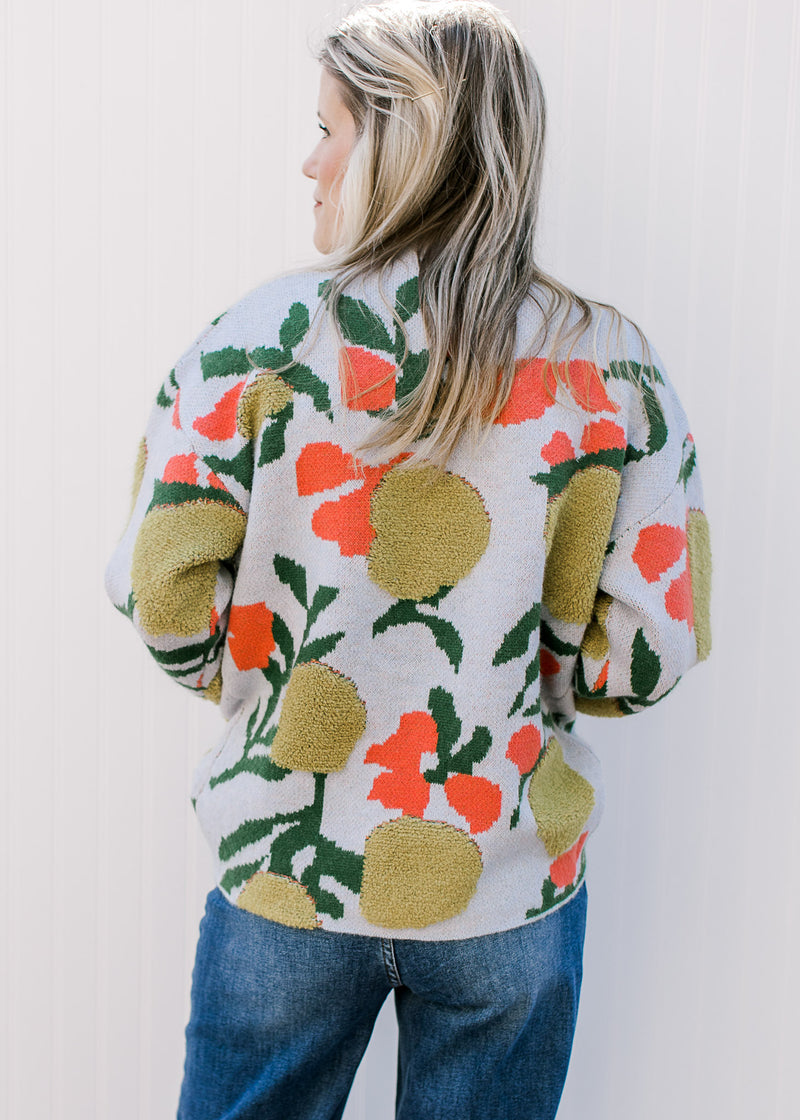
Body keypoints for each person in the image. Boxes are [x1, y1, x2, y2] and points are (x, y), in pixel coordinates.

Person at [104, 2, 712, 1117]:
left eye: (329, 128)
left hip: (287, 868)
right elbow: (647, 652)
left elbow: (160, 589)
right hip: (506, 885)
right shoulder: (612, 372)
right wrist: (516, 690)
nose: (310, 159)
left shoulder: (256, 342)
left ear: (402, 142)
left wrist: (262, 689)